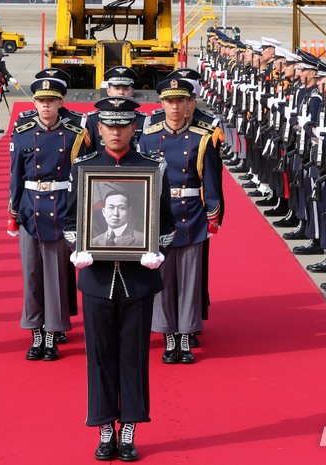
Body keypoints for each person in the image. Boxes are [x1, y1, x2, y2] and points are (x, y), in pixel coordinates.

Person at [65, 96, 175, 462]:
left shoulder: (152, 168)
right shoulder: (83, 168)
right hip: (96, 278)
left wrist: (156, 249)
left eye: (123, 125)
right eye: (109, 125)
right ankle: (103, 427)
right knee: (98, 356)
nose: (115, 132)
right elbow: (69, 220)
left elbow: (167, 223)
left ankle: (129, 428)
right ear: (99, 129)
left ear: (134, 128)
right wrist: (77, 246)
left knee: (133, 356)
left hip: (137, 281)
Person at [139, 79, 222, 365]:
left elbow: (211, 181)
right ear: (161, 104)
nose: (175, 107)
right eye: (169, 101)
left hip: (191, 216)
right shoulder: (149, 137)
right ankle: (168, 336)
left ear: (189, 105)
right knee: (163, 282)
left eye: (180, 101)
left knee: (189, 282)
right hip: (159, 216)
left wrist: (213, 215)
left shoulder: (202, 137)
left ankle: (185, 336)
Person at [6, 77, 86, 362]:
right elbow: (16, 176)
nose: (46, 106)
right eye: (41, 101)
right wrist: (13, 212)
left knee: (54, 277)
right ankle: (35, 331)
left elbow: (81, 179)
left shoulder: (74, 134)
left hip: (60, 210)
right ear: (35, 103)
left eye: (51, 101)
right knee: (32, 276)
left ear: (60, 103)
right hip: (29, 211)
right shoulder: (24, 132)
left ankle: (52, 334)